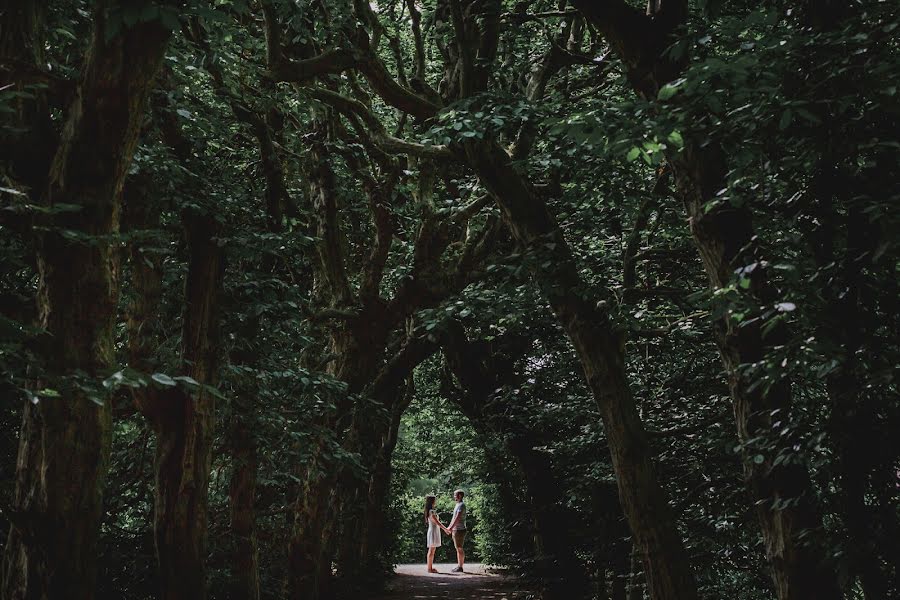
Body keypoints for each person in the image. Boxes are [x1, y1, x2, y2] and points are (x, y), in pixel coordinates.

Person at [442, 489, 467, 573]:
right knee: (458, 548)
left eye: (455, 495)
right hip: (456, 529)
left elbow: (457, 517)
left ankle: (460, 567)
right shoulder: (458, 505)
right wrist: (449, 527)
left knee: (459, 548)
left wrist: (451, 528)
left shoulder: (461, 505)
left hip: (459, 529)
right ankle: (459, 566)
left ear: (459, 496)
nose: (454, 496)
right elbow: (454, 518)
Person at [424, 494, 444, 573]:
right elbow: (437, 522)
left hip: (433, 530)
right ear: (432, 501)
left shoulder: (429, 511)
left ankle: (430, 567)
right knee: (431, 550)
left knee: (432, 550)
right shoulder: (431, 511)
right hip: (433, 531)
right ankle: (429, 568)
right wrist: (445, 529)